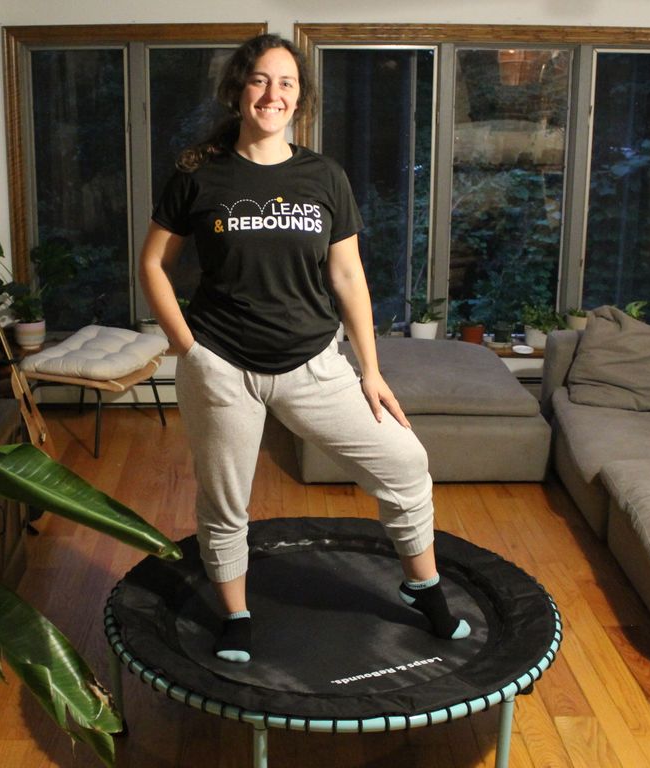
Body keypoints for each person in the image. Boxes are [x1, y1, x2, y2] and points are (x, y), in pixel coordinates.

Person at [139, 33, 468, 664]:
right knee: (225, 501)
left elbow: (348, 277)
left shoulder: (323, 176)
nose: (273, 93)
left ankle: (422, 585)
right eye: (261, 80)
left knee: (405, 464)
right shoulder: (198, 174)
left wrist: (370, 370)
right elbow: (154, 263)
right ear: (239, 89)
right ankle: (236, 615)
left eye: (286, 83)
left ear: (300, 98)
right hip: (222, 365)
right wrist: (188, 349)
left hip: (315, 364)